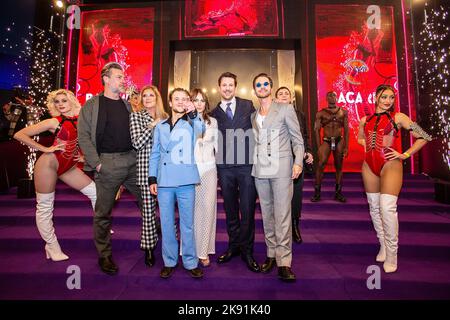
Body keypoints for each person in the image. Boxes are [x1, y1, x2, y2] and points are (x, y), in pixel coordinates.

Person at [13, 89, 97, 261]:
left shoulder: (82, 118)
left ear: (71, 101)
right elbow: (19, 134)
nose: (60, 104)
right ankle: (52, 246)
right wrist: (45, 149)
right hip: (48, 164)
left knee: (96, 193)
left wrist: (83, 157)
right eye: (57, 101)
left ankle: (101, 225)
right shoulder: (53, 122)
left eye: (64, 100)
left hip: (68, 166)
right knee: (45, 207)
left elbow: (88, 141)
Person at [357, 84, 431, 273]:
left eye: (391, 97)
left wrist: (405, 155)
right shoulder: (365, 119)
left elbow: (423, 136)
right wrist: (366, 144)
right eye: (384, 97)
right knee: (374, 207)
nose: (388, 101)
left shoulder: (399, 117)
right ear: (376, 98)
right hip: (368, 165)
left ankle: (392, 253)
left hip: (390, 163)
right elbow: (359, 138)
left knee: (387, 208)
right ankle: (382, 244)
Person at [78, 62, 143, 275]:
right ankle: (104, 255)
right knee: (103, 213)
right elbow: (84, 137)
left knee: (148, 200)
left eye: (123, 77)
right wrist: (97, 162)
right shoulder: (92, 105)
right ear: (106, 79)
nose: (123, 80)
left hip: (131, 161)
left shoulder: (126, 105)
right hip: (107, 163)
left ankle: (154, 232)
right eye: (118, 76)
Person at [251, 74, 304, 282]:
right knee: (267, 214)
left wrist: (298, 162)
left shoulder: (284, 108)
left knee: (282, 214)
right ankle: (271, 254)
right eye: (258, 84)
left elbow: (297, 139)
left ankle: (284, 262)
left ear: (270, 88)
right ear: (254, 89)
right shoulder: (253, 116)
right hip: (261, 169)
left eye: (265, 84)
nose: (262, 87)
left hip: (282, 167)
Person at [149, 88, 205, 279]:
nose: (181, 102)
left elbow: (202, 130)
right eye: (177, 99)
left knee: (187, 224)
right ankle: (169, 261)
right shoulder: (160, 126)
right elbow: (155, 153)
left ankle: (190, 262)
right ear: (170, 103)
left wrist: (194, 112)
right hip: (164, 180)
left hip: (186, 180)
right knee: (166, 223)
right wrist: (152, 178)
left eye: (185, 99)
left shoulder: (191, 122)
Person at [210, 72, 260, 273]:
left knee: (247, 209)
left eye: (231, 85)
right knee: (230, 209)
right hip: (225, 168)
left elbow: (259, 130)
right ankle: (233, 246)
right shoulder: (213, 113)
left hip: (247, 166)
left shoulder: (248, 105)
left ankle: (247, 251)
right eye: (224, 85)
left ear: (235, 87)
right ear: (219, 87)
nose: (228, 88)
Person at [129, 85, 168, 268]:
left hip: (167, 171)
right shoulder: (136, 116)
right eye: (145, 96)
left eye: (151, 95)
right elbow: (137, 143)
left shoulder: (166, 117)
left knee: (168, 211)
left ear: (157, 98)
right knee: (148, 213)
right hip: (146, 170)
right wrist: (152, 126)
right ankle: (149, 248)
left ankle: (170, 246)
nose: (148, 98)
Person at [275, 86, 314, 243]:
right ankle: (281, 228)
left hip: (297, 160)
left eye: (287, 93)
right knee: (279, 196)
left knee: (296, 195)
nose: (284, 95)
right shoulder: (272, 114)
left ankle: (295, 226)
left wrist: (308, 151)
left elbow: (304, 135)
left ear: (291, 98)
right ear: (275, 99)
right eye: (280, 93)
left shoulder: (300, 115)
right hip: (279, 161)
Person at [191, 88, 218, 267]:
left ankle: (203, 251)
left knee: (208, 210)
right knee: (191, 212)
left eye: (202, 100)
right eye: (195, 100)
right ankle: (191, 250)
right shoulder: (183, 121)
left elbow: (211, 143)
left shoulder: (212, 121)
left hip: (208, 170)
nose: (199, 103)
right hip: (190, 171)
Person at [311, 91, 349, 202]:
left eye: (334, 95)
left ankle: (338, 193)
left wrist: (346, 147)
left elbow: (346, 131)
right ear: (326, 98)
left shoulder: (343, 112)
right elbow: (316, 130)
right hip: (326, 141)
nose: (332, 97)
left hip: (339, 140)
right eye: (329, 95)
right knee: (321, 164)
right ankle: (317, 193)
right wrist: (318, 147)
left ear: (337, 98)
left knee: (339, 165)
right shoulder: (321, 113)